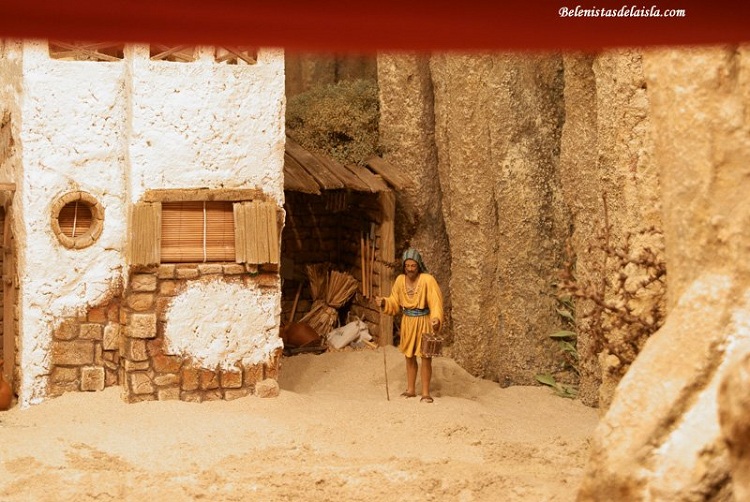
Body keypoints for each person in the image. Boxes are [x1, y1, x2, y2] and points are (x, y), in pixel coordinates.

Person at [375, 248, 444, 403]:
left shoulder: (427, 280)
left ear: (418, 265)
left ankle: (425, 392)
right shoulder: (400, 280)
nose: (410, 269)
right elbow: (394, 301)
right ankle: (411, 389)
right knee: (409, 356)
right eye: (407, 266)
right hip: (408, 322)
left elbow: (436, 302)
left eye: (413, 266)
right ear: (404, 266)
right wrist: (384, 302)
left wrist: (436, 319)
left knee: (425, 357)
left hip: (424, 321)